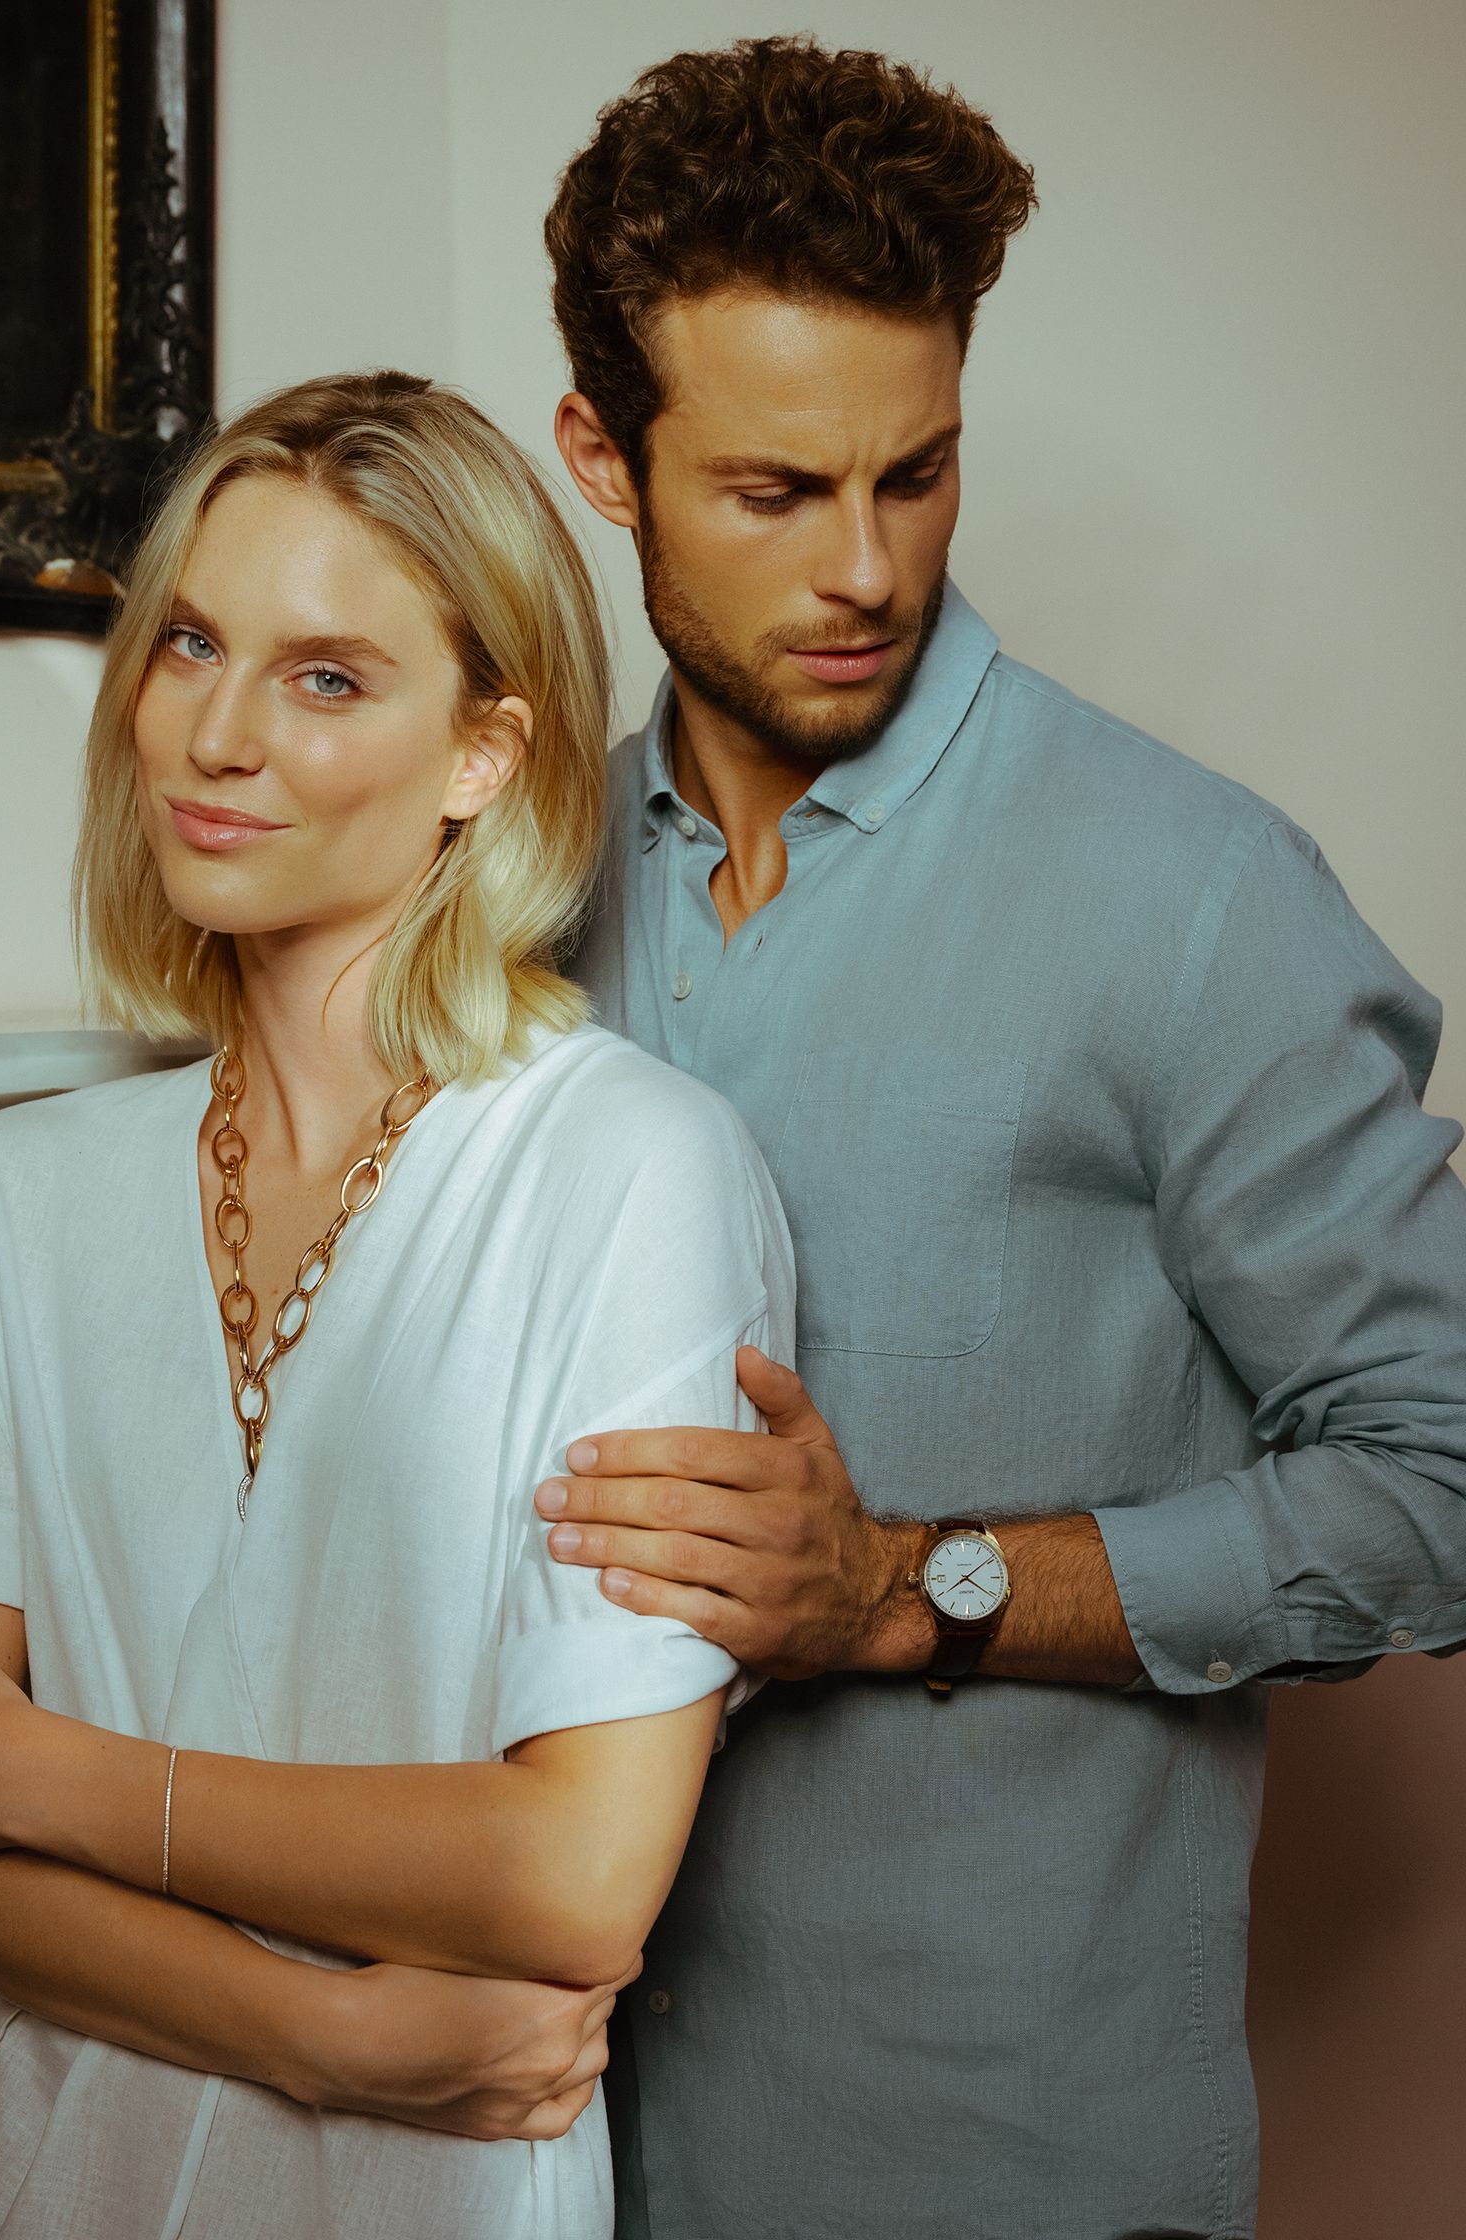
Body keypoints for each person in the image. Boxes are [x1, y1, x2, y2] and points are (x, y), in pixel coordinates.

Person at [533, 36, 1466, 2239]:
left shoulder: (1194, 894)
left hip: (1003, 2176)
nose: (865, 568)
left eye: (917, 474)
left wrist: (908, 1590)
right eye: (772, 492)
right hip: (545, 2156)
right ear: (601, 455)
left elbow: (1441, 1471)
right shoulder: (509, 889)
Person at [0, 371, 794, 2240]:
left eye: (327, 676)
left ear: (483, 756)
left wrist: (28, 1768)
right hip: (16, 2158)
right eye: (190, 643)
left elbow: (569, 1876)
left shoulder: (630, 1170)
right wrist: (321, 2029)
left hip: (419, 2193)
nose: (213, 734)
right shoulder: (11, 1195)